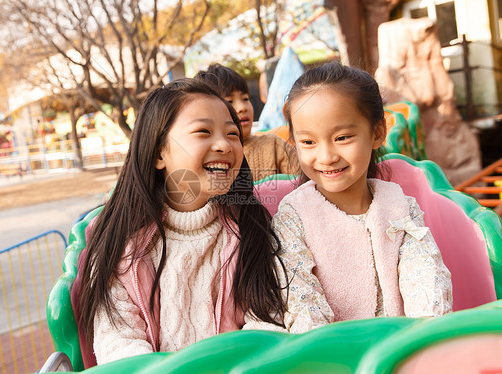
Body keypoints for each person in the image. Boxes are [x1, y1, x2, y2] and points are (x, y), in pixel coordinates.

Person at [76, 79, 287, 365]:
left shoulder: (252, 227)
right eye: (203, 132)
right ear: (159, 153)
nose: (224, 144)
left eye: (232, 133)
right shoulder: (120, 242)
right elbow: (118, 341)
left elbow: (267, 321)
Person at [273, 62, 452, 333]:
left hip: (401, 347)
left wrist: (424, 336)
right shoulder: (293, 216)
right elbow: (299, 298)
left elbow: (427, 277)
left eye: (342, 137)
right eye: (308, 142)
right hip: (328, 356)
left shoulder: (400, 205)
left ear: (377, 133)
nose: (326, 157)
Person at [195, 64, 299, 182]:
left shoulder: (274, 145)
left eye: (245, 98)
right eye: (229, 101)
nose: (242, 107)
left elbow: (304, 184)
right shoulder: (209, 157)